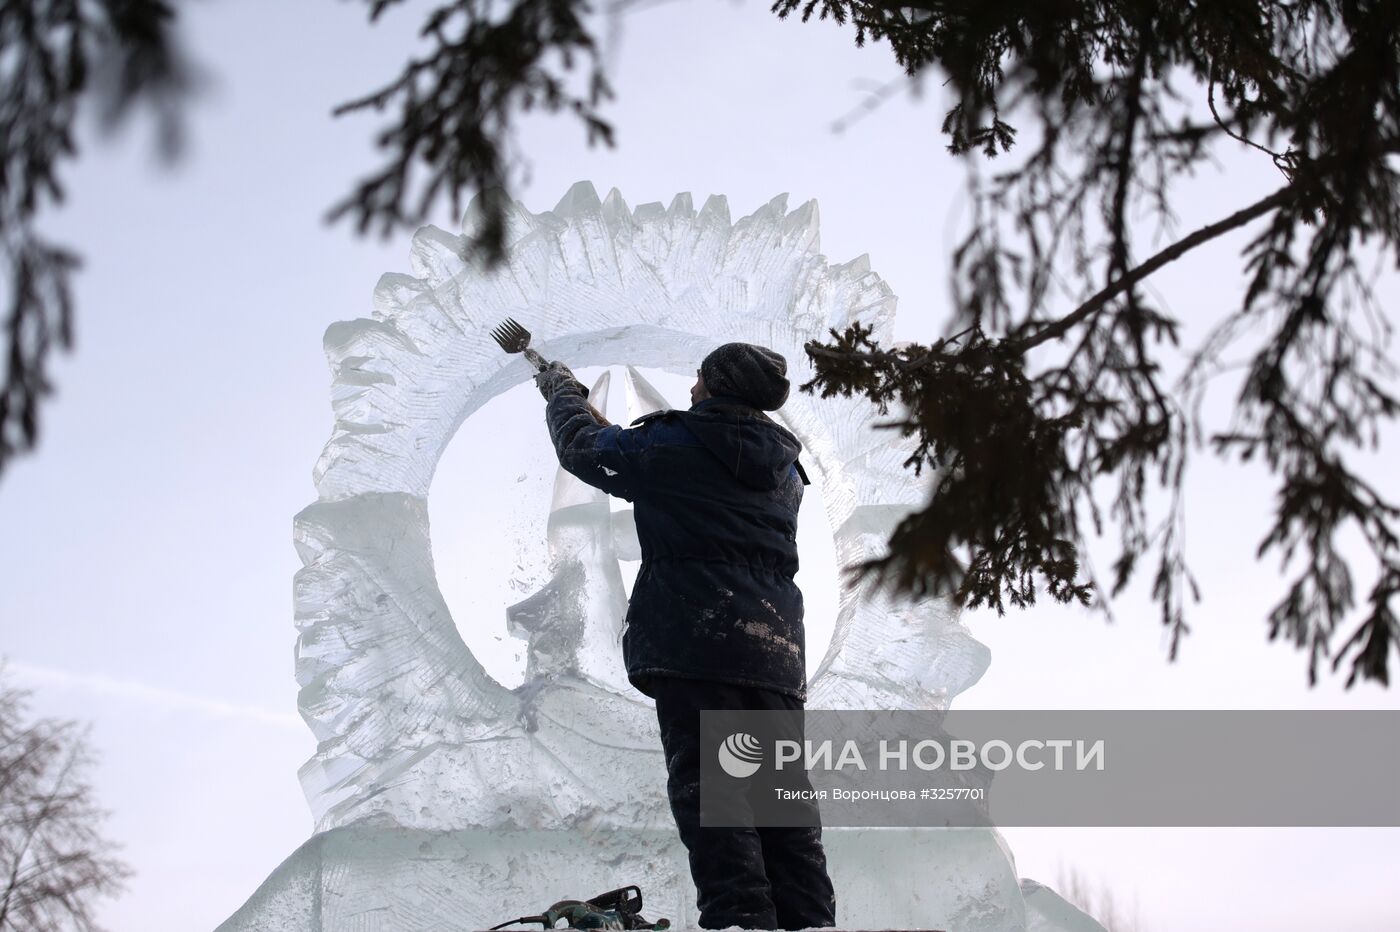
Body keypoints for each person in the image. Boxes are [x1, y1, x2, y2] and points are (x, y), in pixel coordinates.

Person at [535, 343, 837, 931]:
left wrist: (559, 390)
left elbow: (585, 451)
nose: (692, 386)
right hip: (773, 651)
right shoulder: (782, 468)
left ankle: (741, 920)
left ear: (717, 385)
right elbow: (683, 464)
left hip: (699, 641)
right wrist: (635, 436)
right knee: (779, 799)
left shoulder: (675, 445)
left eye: (700, 377)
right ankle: (810, 923)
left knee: (714, 793)